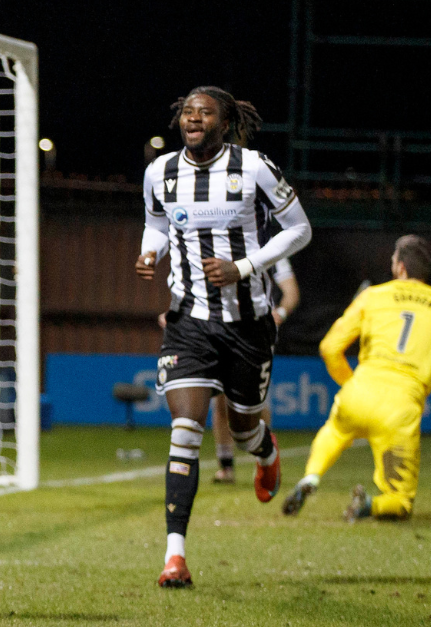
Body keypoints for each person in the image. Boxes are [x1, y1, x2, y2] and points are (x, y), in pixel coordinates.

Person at [137, 86, 312, 588]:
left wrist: (244, 266)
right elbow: (155, 224)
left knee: (242, 428)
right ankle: (175, 557)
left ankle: (266, 452)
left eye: (204, 111)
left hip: (248, 322)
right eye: (187, 110)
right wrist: (150, 254)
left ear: (225, 120)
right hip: (187, 320)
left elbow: (299, 230)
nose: (193, 117)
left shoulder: (254, 167)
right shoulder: (160, 172)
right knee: (185, 431)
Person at [282, 236, 431, 521]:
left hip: (360, 391)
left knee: (337, 431)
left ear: (400, 267)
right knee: (399, 502)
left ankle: (311, 477)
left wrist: (349, 382)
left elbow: (329, 347)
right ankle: (368, 506)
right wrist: (418, 386)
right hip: (401, 407)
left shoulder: (372, 296)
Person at [162, 259, 299, 483]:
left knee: (252, 403)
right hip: (215, 329)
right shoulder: (209, 245)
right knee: (219, 399)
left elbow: (291, 292)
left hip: (252, 332)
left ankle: (264, 454)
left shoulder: (267, 247)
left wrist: (280, 313)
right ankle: (226, 466)